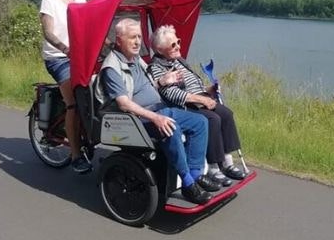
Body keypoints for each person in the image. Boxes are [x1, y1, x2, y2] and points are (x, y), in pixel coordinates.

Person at [94, 18, 221, 205]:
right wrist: (156, 117)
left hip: (159, 109)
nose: (138, 42)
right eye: (132, 38)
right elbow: (124, 104)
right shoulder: (112, 68)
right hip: (135, 119)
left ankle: (195, 176)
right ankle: (187, 183)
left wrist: (163, 82)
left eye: (139, 37)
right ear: (119, 40)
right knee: (171, 127)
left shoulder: (136, 60)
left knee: (200, 122)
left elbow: (148, 85)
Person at [148, 25, 246, 187]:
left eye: (178, 41)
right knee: (212, 119)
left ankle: (227, 162)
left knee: (227, 114)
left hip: (200, 98)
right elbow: (171, 94)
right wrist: (201, 100)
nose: (178, 46)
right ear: (159, 49)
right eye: (173, 44)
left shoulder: (180, 61)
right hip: (185, 105)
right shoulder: (157, 68)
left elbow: (195, 84)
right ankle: (214, 168)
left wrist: (209, 90)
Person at [39, 0, 92, 174]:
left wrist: (112, 44)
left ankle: (89, 134)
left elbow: (90, 28)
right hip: (58, 59)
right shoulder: (49, 0)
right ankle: (76, 155)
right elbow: (48, 32)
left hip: (80, 56)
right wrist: (64, 48)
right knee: (74, 103)